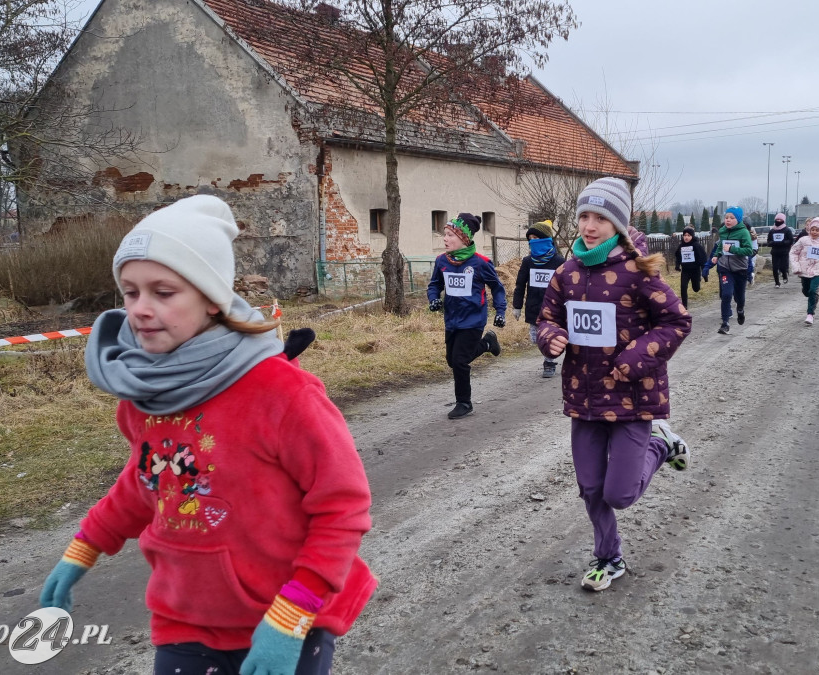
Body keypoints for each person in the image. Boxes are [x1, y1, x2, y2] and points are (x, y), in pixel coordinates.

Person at [38, 195, 377, 675]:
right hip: (184, 621)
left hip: (285, 620)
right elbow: (147, 481)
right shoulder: (143, 397)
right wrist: (85, 546)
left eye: (164, 292)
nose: (140, 310)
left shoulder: (282, 393)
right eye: (130, 292)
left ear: (212, 299)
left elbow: (342, 507)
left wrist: (292, 615)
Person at [534, 177, 693, 592]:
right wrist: (550, 338)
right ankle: (609, 557)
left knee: (620, 494)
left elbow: (677, 321)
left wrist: (635, 358)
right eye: (584, 216)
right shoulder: (566, 273)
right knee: (591, 489)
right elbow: (546, 319)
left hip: (633, 399)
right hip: (584, 399)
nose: (589, 225)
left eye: (600, 218)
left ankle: (662, 445)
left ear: (618, 223)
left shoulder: (638, 272)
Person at [427, 212, 506, 419]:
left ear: (464, 238)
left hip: (473, 320)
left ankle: (464, 403)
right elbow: (435, 285)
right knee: (452, 361)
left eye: (450, 235)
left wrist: (500, 311)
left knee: (460, 362)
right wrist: (433, 299)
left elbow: (497, 288)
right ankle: (488, 343)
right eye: (444, 234)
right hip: (452, 319)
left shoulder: (480, 263)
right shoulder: (441, 261)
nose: (445, 239)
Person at [513, 220, 565, 377]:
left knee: (548, 337)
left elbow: (566, 287)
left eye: (536, 238)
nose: (533, 242)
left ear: (546, 239)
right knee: (536, 339)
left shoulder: (559, 262)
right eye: (530, 239)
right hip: (534, 307)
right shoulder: (528, 262)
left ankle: (549, 363)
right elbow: (520, 284)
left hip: (553, 309)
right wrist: (517, 306)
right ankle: (548, 354)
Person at [708, 206, 755, 335]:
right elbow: (721, 246)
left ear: (738, 220)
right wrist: (717, 256)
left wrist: (732, 250)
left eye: (731, 218)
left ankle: (740, 309)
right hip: (725, 269)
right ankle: (725, 323)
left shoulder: (743, 232)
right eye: (726, 217)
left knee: (739, 297)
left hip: (740, 269)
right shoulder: (723, 231)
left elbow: (748, 250)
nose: (728, 220)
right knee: (726, 294)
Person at [673, 226, 707, 309]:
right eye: (685, 235)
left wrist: (704, 272)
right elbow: (678, 256)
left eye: (688, 235)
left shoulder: (696, 245)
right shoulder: (681, 246)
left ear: (692, 236)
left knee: (696, 289)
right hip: (685, 270)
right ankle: (684, 305)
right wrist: (677, 265)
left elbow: (703, 258)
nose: (686, 237)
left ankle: (698, 281)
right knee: (683, 286)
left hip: (695, 270)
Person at [765, 213, 794, 287]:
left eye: (780, 219)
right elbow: (768, 241)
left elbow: (791, 240)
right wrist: (773, 243)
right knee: (775, 268)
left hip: (784, 251)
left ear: (783, 220)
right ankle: (777, 282)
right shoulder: (772, 231)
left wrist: (783, 242)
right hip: (775, 252)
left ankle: (784, 275)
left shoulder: (787, 230)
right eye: (777, 219)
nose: (778, 221)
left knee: (783, 267)